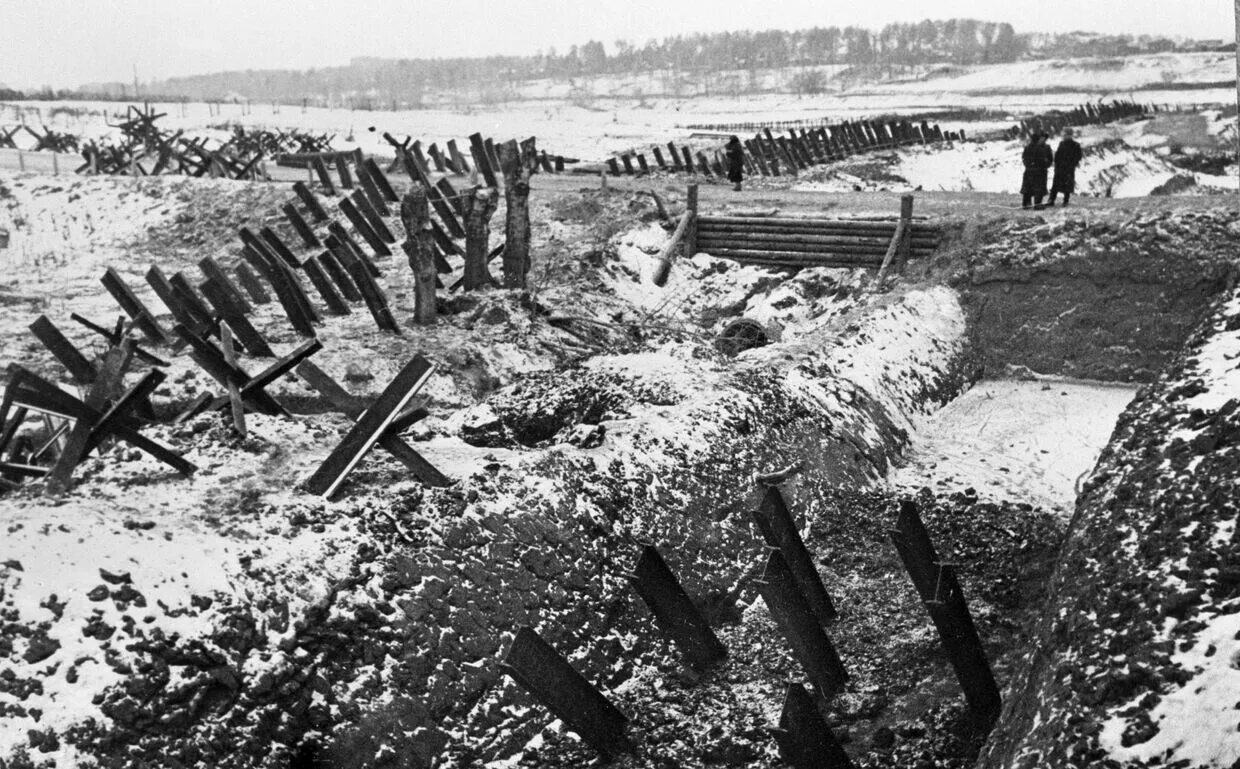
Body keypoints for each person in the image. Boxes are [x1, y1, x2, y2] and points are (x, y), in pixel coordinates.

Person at [1048, 128, 1083, 207]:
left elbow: (1078, 156)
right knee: (1056, 185)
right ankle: (1051, 200)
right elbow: (1058, 155)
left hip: (1068, 168)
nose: (1063, 136)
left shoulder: (1075, 145)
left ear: (1069, 135)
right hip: (1060, 168)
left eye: (1065, 135)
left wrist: (1072, 164)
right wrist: (1057, 164)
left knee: (1067, 186)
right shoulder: (1062, 144)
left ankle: (1065, 201)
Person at [1020, 133, 1053, 209]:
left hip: (1028, 171)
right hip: (1039, 172)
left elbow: (1024, 159)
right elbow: (1042, 161)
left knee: (1027, 188)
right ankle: (1037, 205)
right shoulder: (1040, 149)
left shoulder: (1027, 148)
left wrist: (1028, 165)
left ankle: (1026, 204)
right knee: (1038, 189)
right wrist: (1044, 165)